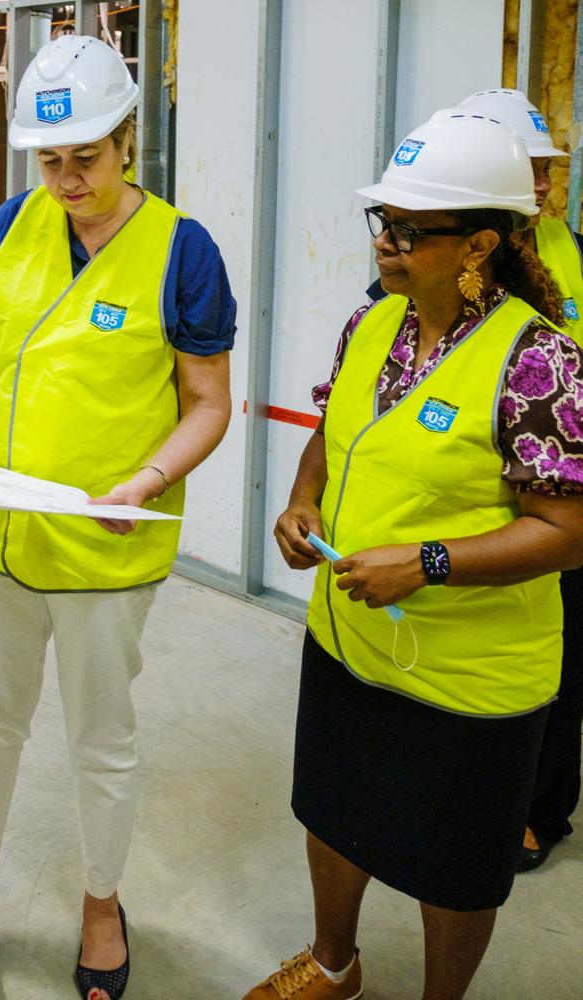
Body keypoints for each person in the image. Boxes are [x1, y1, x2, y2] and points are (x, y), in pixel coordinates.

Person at [241, 110, 583, 1000]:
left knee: (456, 861)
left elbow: (569, 532)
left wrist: (422, 562)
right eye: (381, 222)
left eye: (407, 230)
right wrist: (303, 497)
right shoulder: (376, 323)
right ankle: (332, 964)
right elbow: (336, 426)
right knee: (333, 808)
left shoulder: (539, 363)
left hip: (472, 675)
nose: (385, 243)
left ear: (478, 245)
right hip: (352, 640)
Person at [0, 34, 235, 1000]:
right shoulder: (8, 225)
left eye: (87, 158)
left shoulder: (182, 251)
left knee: (102, 736)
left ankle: (101, 903)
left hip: (108, 546)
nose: (66, 180)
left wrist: (145, 481)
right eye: (49, 160)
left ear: (128, 140)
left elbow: (207, 403)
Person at [455, 89, 583, 872]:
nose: (540, 184)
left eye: (546, 169)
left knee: (561, 654)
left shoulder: (571, 249)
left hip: (557, 487)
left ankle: (542, 808)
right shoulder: (449, 257)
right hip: (473, 480)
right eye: (526, 168)